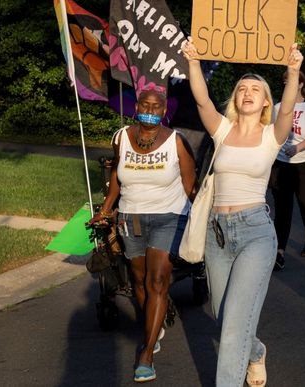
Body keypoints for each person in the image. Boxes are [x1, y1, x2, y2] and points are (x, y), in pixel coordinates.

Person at [183, 39, 303, 387]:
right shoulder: (221, 130)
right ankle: (256, 353)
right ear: (236, 98)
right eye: (242, 88)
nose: (247, 92)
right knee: (225, 318)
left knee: (235, 323)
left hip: (255, 233)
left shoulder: (272, 135)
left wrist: (292, 72)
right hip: (217, 234)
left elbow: (287, 109)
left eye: (256, 89)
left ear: (266, 100)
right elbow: (202, 99)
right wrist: (193, 61)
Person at [89, 88, 196, 382]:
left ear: (164, 111)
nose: (150, 108)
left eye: (156, 105)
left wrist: (205, 214)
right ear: (137, 106)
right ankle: (154, 323)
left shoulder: (176, 142)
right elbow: (116, 175)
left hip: (169, 216)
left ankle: (146, 352)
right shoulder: (121, 137)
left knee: (157, 280)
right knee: (138, 280)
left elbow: (190, 184)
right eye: (145, 104)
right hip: (130, 218)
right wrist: (107, 208)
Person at [270, 70, 305, 271]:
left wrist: (297, 147)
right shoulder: (277, 108)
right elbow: (269, 133)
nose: (287, 85)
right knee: (282, 208)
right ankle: (279, 252)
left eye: (290, 81)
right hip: (282, 163)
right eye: (284, 82)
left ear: (300, 84)